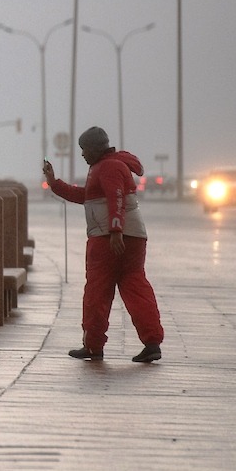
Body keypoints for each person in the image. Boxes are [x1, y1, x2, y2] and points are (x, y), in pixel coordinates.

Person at [42, 126, 164, 362]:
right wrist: (53, 182)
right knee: (136, 288)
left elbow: (115, 197)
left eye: (84, 149)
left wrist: (115, 230)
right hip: (133, 237)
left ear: (97, 148)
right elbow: (85, 196)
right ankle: (152, 342)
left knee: (97, 292)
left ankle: (93, 346)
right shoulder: (111, 165)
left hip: (108, 238)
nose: (82, 155)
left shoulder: (107, 167)